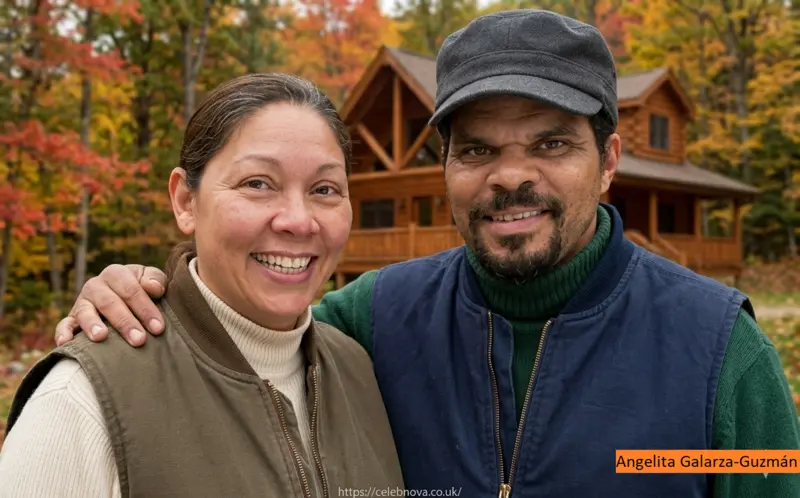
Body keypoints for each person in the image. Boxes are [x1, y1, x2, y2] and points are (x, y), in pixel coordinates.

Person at [46, 9, 800, 498]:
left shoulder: (720, 351)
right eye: (476, 148)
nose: (510, 175)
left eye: (550, 143)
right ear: (445, 166)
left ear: (608, 161)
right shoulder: (371, 322)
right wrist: (144, 288)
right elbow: (239, 321)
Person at [0, 73, 404, 497]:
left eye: (325, 189)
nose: (298, 220)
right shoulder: (83, 400)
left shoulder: (360, 373)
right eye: (258, 184)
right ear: (185, 201)